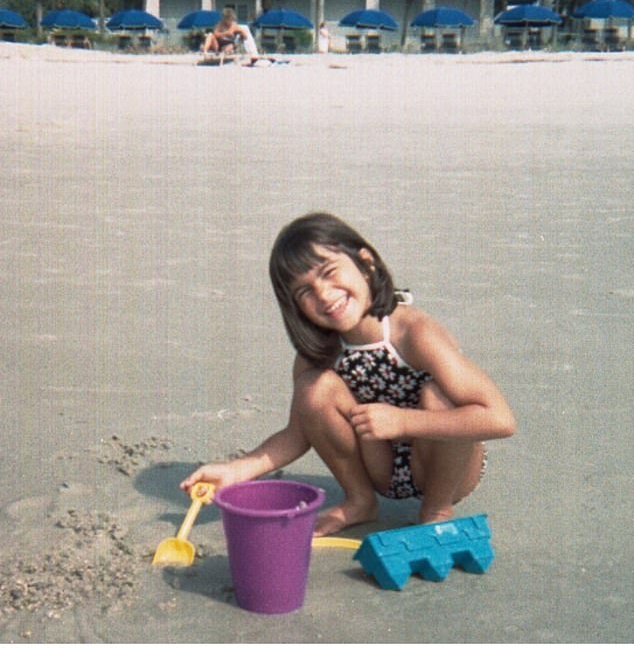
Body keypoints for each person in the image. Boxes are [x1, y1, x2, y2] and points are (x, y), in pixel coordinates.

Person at [181, 212, 516, 536]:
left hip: (447, 468)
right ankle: (360, 501)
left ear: (366, 263)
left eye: (329, 272)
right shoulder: (318, 355)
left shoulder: (414, 333)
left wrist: (403, 422)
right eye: (305, 292)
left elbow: (499, 419)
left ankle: (436, 510)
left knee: (438, 396)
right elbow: (298, 434)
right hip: (382, 468)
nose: (324, 295)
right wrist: (236, 470)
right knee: (315, 389)